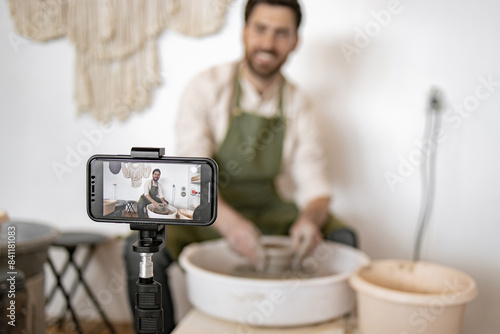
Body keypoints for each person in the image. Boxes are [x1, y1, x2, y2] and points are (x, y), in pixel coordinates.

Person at [124, 1, 357, 332]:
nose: (268, 43)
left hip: (269, 209)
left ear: (295, 41)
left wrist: (309, 220)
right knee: (138, 252)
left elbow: (316, 187)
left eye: (281, 33)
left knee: (343, 236)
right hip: (206, 208)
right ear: (244, 31)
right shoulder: (206, 87)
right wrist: (231, 225)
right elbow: (193, 179)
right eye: (260, 29)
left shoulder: (298, 103)